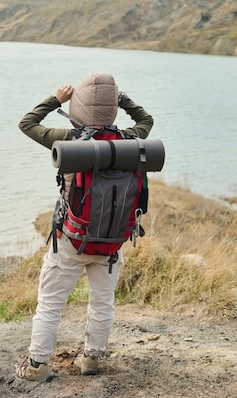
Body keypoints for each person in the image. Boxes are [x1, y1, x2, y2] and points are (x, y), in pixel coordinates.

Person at [16, 72, 154, 380]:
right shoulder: (131, 140)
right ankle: (91, 359)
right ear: (112, 108)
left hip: (71, 239)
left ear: (79, 106)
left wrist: (56, 100)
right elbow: (146, 119)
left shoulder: (70, 141)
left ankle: (37, 365)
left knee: (51, 303)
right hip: (112, 241)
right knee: (102, 301)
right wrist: (123, 100)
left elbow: (27, 123)